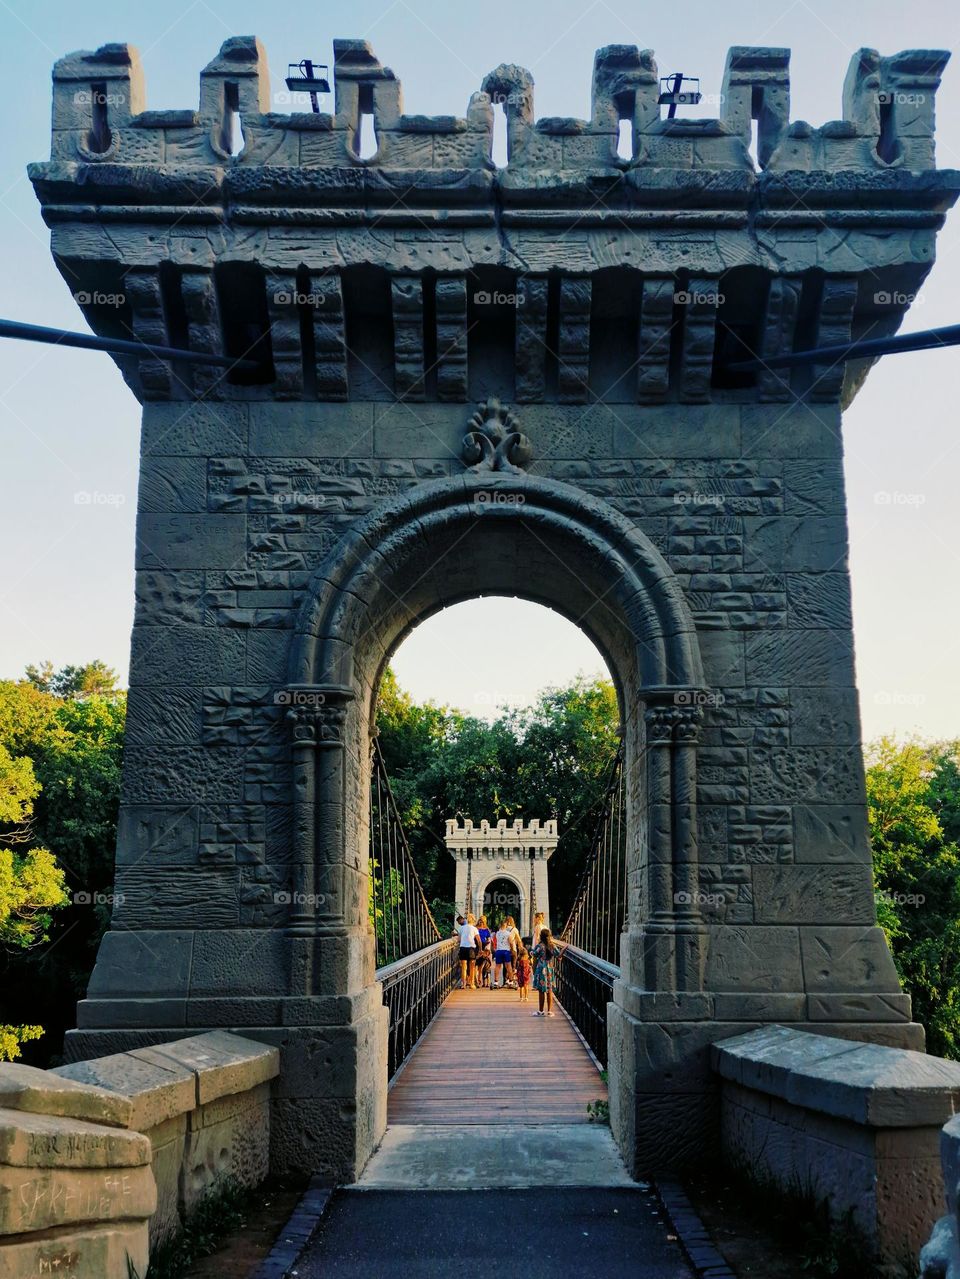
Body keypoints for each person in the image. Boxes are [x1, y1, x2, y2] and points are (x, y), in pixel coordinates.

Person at [531, 927, 557, 1017]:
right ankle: (549, 1011)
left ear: (541, 937)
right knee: (549, 990)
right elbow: (559, 955)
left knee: (541, 991)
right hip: (549, 970)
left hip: (541, 970)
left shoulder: (539, 946)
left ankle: (541, 1011)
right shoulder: (552, 946)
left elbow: (534, 954)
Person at [458, 912, 480, 990]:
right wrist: (480, 949)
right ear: (473, 921)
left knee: (464, 967)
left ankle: (463, 984)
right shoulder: (474, 929)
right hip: (471, 949)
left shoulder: (461, 928)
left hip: (463, 948)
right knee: (472, 967)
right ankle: (472, 984)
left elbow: (459, 939)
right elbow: (479, 940)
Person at [495, 916, 518, 988]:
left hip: (498, 951)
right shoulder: (508, 933)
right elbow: (511, 942)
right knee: (509, 967)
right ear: (505, 925)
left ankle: (496, 982)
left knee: (497, 967)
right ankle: (511, 981)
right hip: (506, 951)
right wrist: (512, 950)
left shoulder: (497, 933)